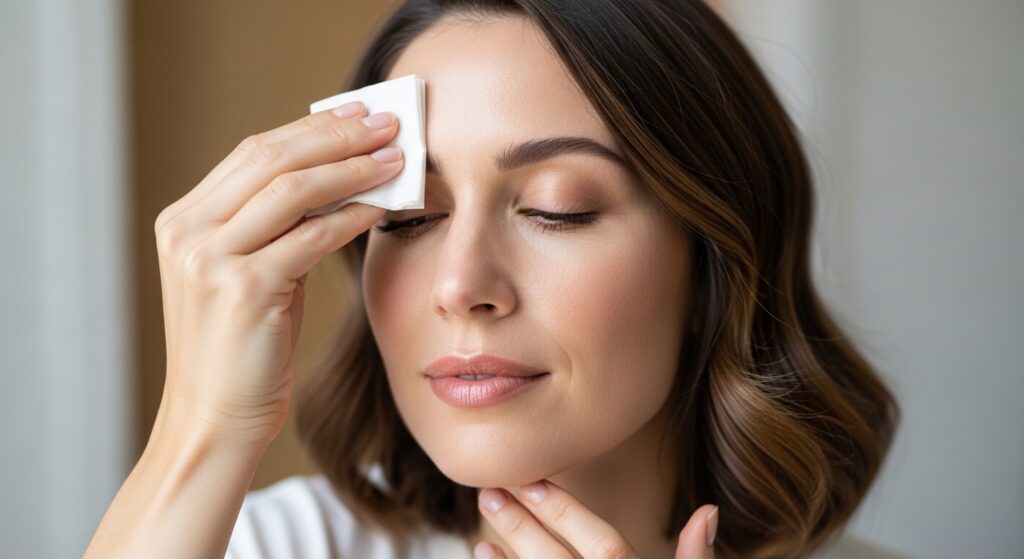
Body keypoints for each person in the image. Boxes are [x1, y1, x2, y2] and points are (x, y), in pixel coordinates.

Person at [85, 1, 906, 558]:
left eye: (558, 208)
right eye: (408, 220)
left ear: (712, 261)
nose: (460, 284)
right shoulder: (278, 542)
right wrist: (201, 424)